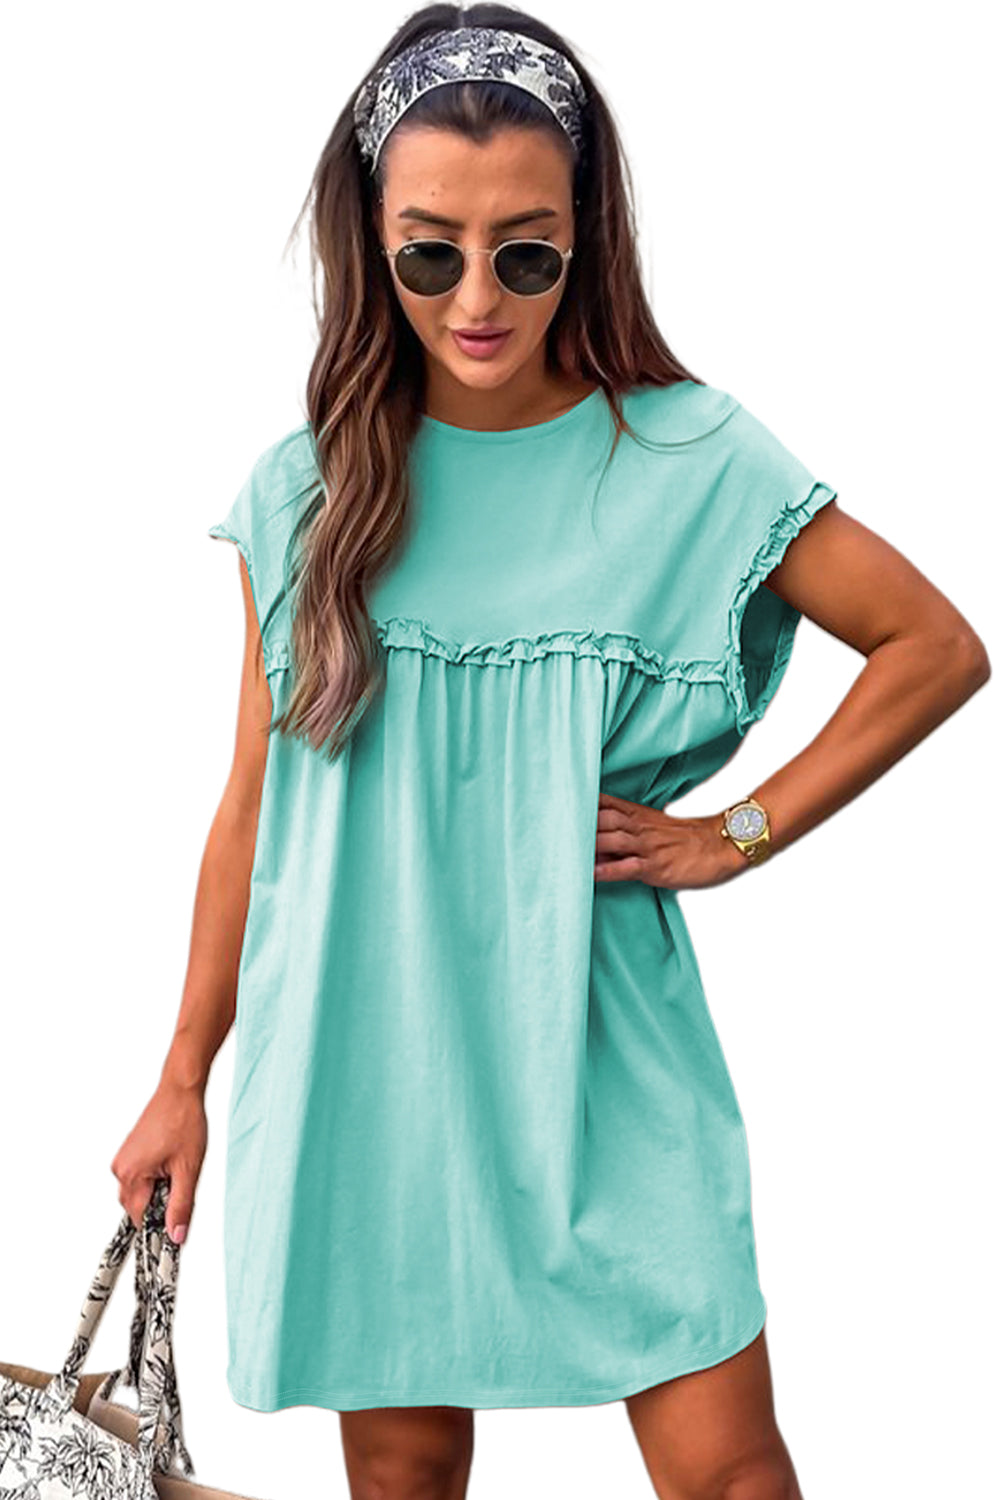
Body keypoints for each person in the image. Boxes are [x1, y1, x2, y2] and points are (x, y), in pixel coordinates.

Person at [110, 6, 990, 1498]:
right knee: (403, 1483)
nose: (476, 298)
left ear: (585, 236)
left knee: (729, 1471)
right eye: (428, 253)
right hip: (366, 1053)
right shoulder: (306, 491)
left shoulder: (687, 457)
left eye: (525, 253)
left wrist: (735, 835)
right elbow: (254, 810)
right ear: (370, 239)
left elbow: (934, 645)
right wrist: (182, 1075)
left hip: (602, 1056)